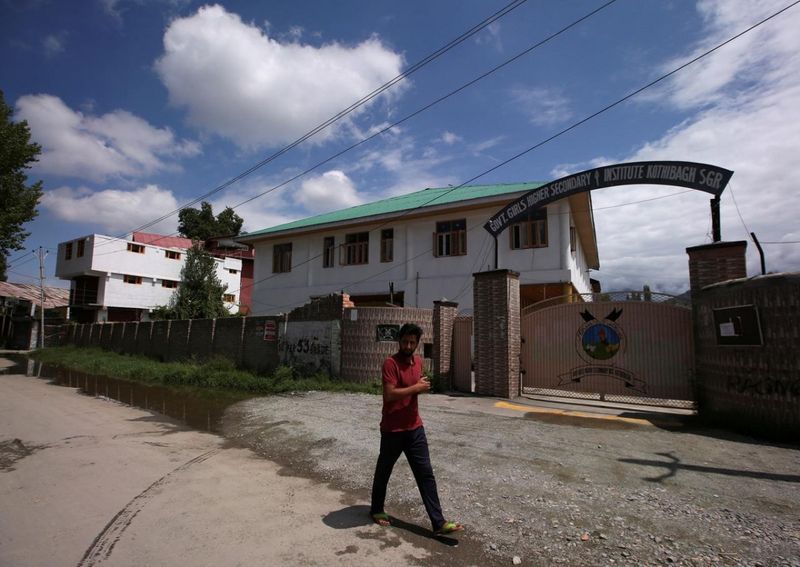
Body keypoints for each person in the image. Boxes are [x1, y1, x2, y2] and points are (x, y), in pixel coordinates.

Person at [369, 323, 464, 536]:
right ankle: (376, 509)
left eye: (412, 342)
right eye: (405, 342)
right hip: (392, 430)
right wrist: (416, 388)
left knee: (425, 474)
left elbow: (413, 388)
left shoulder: (418, 362)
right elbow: (389, 395)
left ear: (417, 343)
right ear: (399, 341)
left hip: (414, 429)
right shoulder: (390, 363)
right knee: (384, 471)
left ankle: (438, 523)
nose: (408, 346)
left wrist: (419, 386)